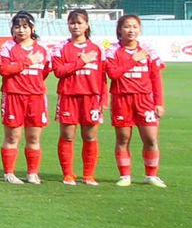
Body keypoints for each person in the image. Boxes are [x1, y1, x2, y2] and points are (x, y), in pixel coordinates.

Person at [103, 13, 165, 187]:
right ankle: (125, 176)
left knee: (151, 139)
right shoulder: (112, 51)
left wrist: (159, 103)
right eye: (127, 26)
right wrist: (133, 60)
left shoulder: (148, 50)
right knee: (123, 139)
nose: (131, 30)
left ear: (140, 29)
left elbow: (156, 78)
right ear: (120, 30)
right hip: (122, 99)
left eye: (135, 27)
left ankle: (151, 176)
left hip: (145, 100)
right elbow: (113, 74)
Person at [0, 11, 51, 184]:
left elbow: (45, 71)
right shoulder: (7, 47)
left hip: (36, 96)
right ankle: (9, 173)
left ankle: (32, 173)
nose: (21, 30)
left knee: (34, 137)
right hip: (13, 96)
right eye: (17, 26)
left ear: (32, 28)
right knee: (12, 136)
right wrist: (27, 62)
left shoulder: (42, 49)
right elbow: (4, 70)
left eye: (25, 26)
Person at [50, 9, 106, 185]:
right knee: (67, 136)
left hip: (91, 97)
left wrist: (104, 98)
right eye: (72, 23)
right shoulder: (60, 48)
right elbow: (59, 71)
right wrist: (81, 61)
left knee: (90, 136)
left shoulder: (97, 49)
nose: (76, 26)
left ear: (87, 25)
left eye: (79, 23)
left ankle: (88, 175)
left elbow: (102, 76)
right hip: (68, 96)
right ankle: (68, 174)